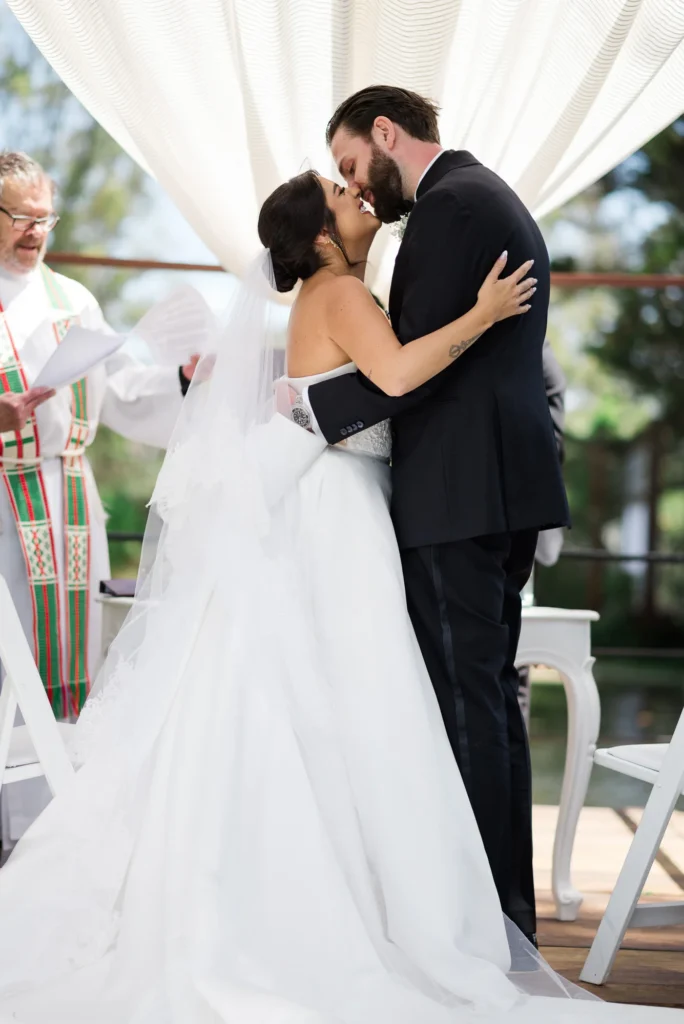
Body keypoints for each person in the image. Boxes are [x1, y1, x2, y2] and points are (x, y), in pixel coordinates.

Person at [0, 169, 675, 1024]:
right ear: (321, 233)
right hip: (336, 511)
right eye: (346, 198)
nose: (363, 202)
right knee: (361, 698)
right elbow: (393, 379)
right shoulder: (342, 292)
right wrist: (483, 315)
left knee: (334, 702)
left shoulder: (327, 292)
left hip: (328, 500)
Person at [293, 86, 570, 943]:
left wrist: (303, 411)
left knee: (466, 703)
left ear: (386, 134)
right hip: (489, 489)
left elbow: (406, 366)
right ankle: (504, 915)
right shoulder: (476, 198)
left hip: (459, 495)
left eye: (350, 166)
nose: (358, 189)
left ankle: (487, 921)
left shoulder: (451, 207)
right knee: (483, 696)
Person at [0, 151, 196, 844]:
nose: (35, 232)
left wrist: (181, 377)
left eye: (43, 217)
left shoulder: (72, 302)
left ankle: (45, 828)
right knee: (6, 659)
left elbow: (120, 396)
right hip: (2, 495)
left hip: (68, 501)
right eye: (20, 217)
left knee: (65, 658)